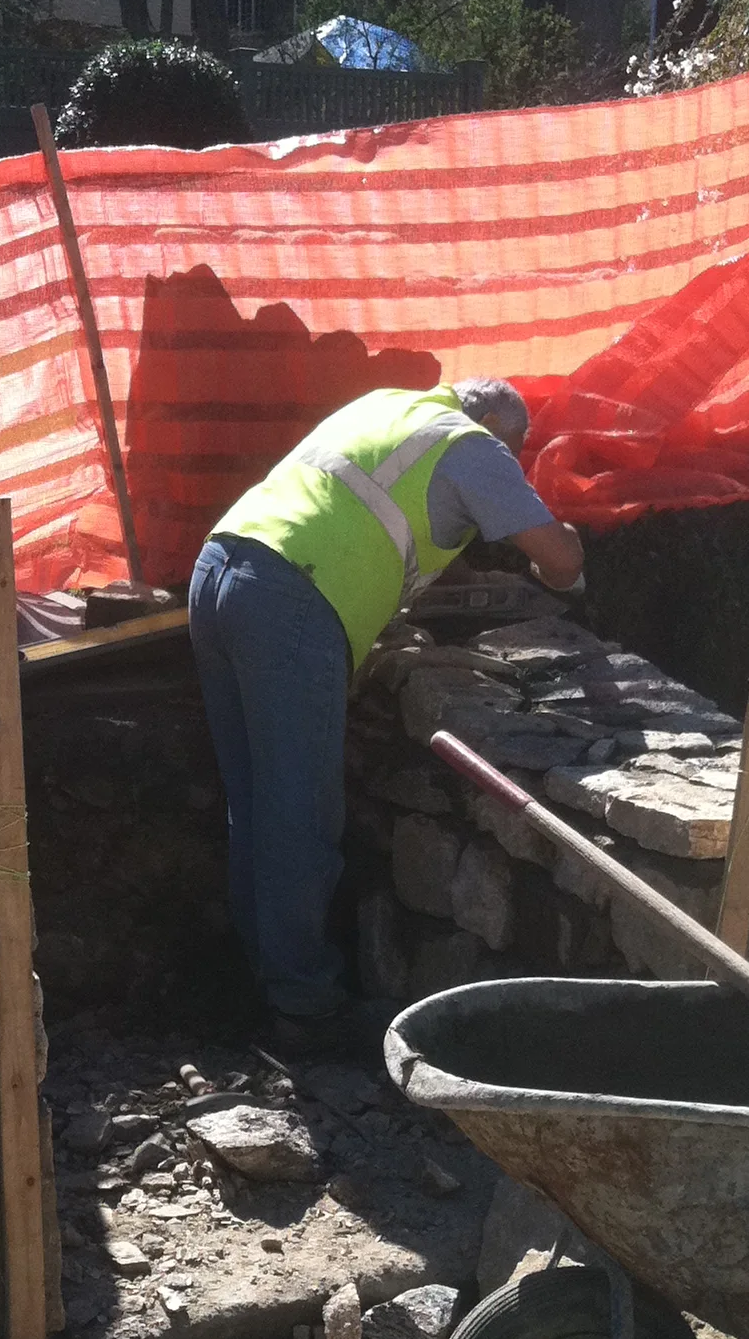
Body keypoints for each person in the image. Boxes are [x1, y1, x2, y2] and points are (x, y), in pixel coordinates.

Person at [188, 378, 584, 1042]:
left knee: (255, 801)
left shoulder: (385, 406)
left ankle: (265, 980)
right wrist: (567, 552)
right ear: (491, 418)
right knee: (300, 813)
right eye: (517, 448)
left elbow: (364, 516)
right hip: (292, 600)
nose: (512, 462)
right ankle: (305, 1004)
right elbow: (561, 559)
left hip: (222, 569)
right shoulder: (472, 444)